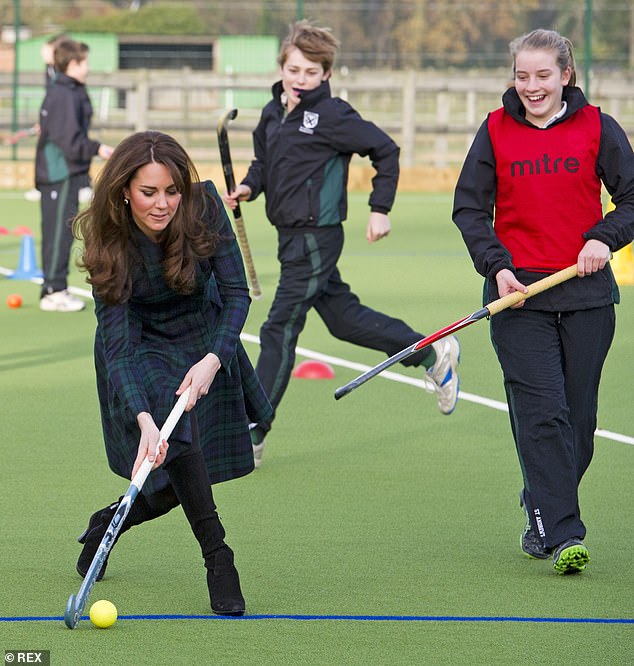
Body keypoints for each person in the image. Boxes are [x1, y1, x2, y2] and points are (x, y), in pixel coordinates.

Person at [223, 20, 460, 467]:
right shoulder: (273, 113)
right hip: (288, 238)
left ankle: (252, 431)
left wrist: (379, 208)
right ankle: (431, 352)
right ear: (282, 66)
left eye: (311, 73)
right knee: (343, 320)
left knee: (279, 327)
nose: (300, 79)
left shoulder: (333, 116)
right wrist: (249, 189)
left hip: (317, 236)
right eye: (294, 69)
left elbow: (385, 150)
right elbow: (263, 163)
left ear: (326, 74)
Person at [452, 29, 634, 574]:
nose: (532, 86)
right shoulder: (495, 130)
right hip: (518, 299)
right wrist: (497, 266)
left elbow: (631, 198)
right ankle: (562, 533)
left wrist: (603, 237)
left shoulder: (599, 128)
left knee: (578, 423)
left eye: (543, 75)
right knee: (541, 414)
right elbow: (469, 209)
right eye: (522, 75)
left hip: (586, 297)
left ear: (566, 76)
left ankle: (540, 507)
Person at [72, 131, 273, 616]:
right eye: (148, 193)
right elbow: (118, 346)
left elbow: (237, 293)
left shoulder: (203, 206)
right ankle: (219, 558)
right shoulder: (110, 237)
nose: (162, 204)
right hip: (139, 344)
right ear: (124, 190)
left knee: (177, 474)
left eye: (171, 191)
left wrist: (213, 359)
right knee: (173, 441)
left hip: (202, 337)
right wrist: (142, 417)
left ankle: (111, 522)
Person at [35, 38, 113, 312]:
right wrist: (98, 148)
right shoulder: (63, 93)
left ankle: (56, 287)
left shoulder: (70, 89)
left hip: (68, 171)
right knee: (58, 234)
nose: (88, 67)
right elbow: (69, 140)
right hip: (59, 172)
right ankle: (53, 291)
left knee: (63, 232)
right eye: (84, 62)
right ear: (72, 63)